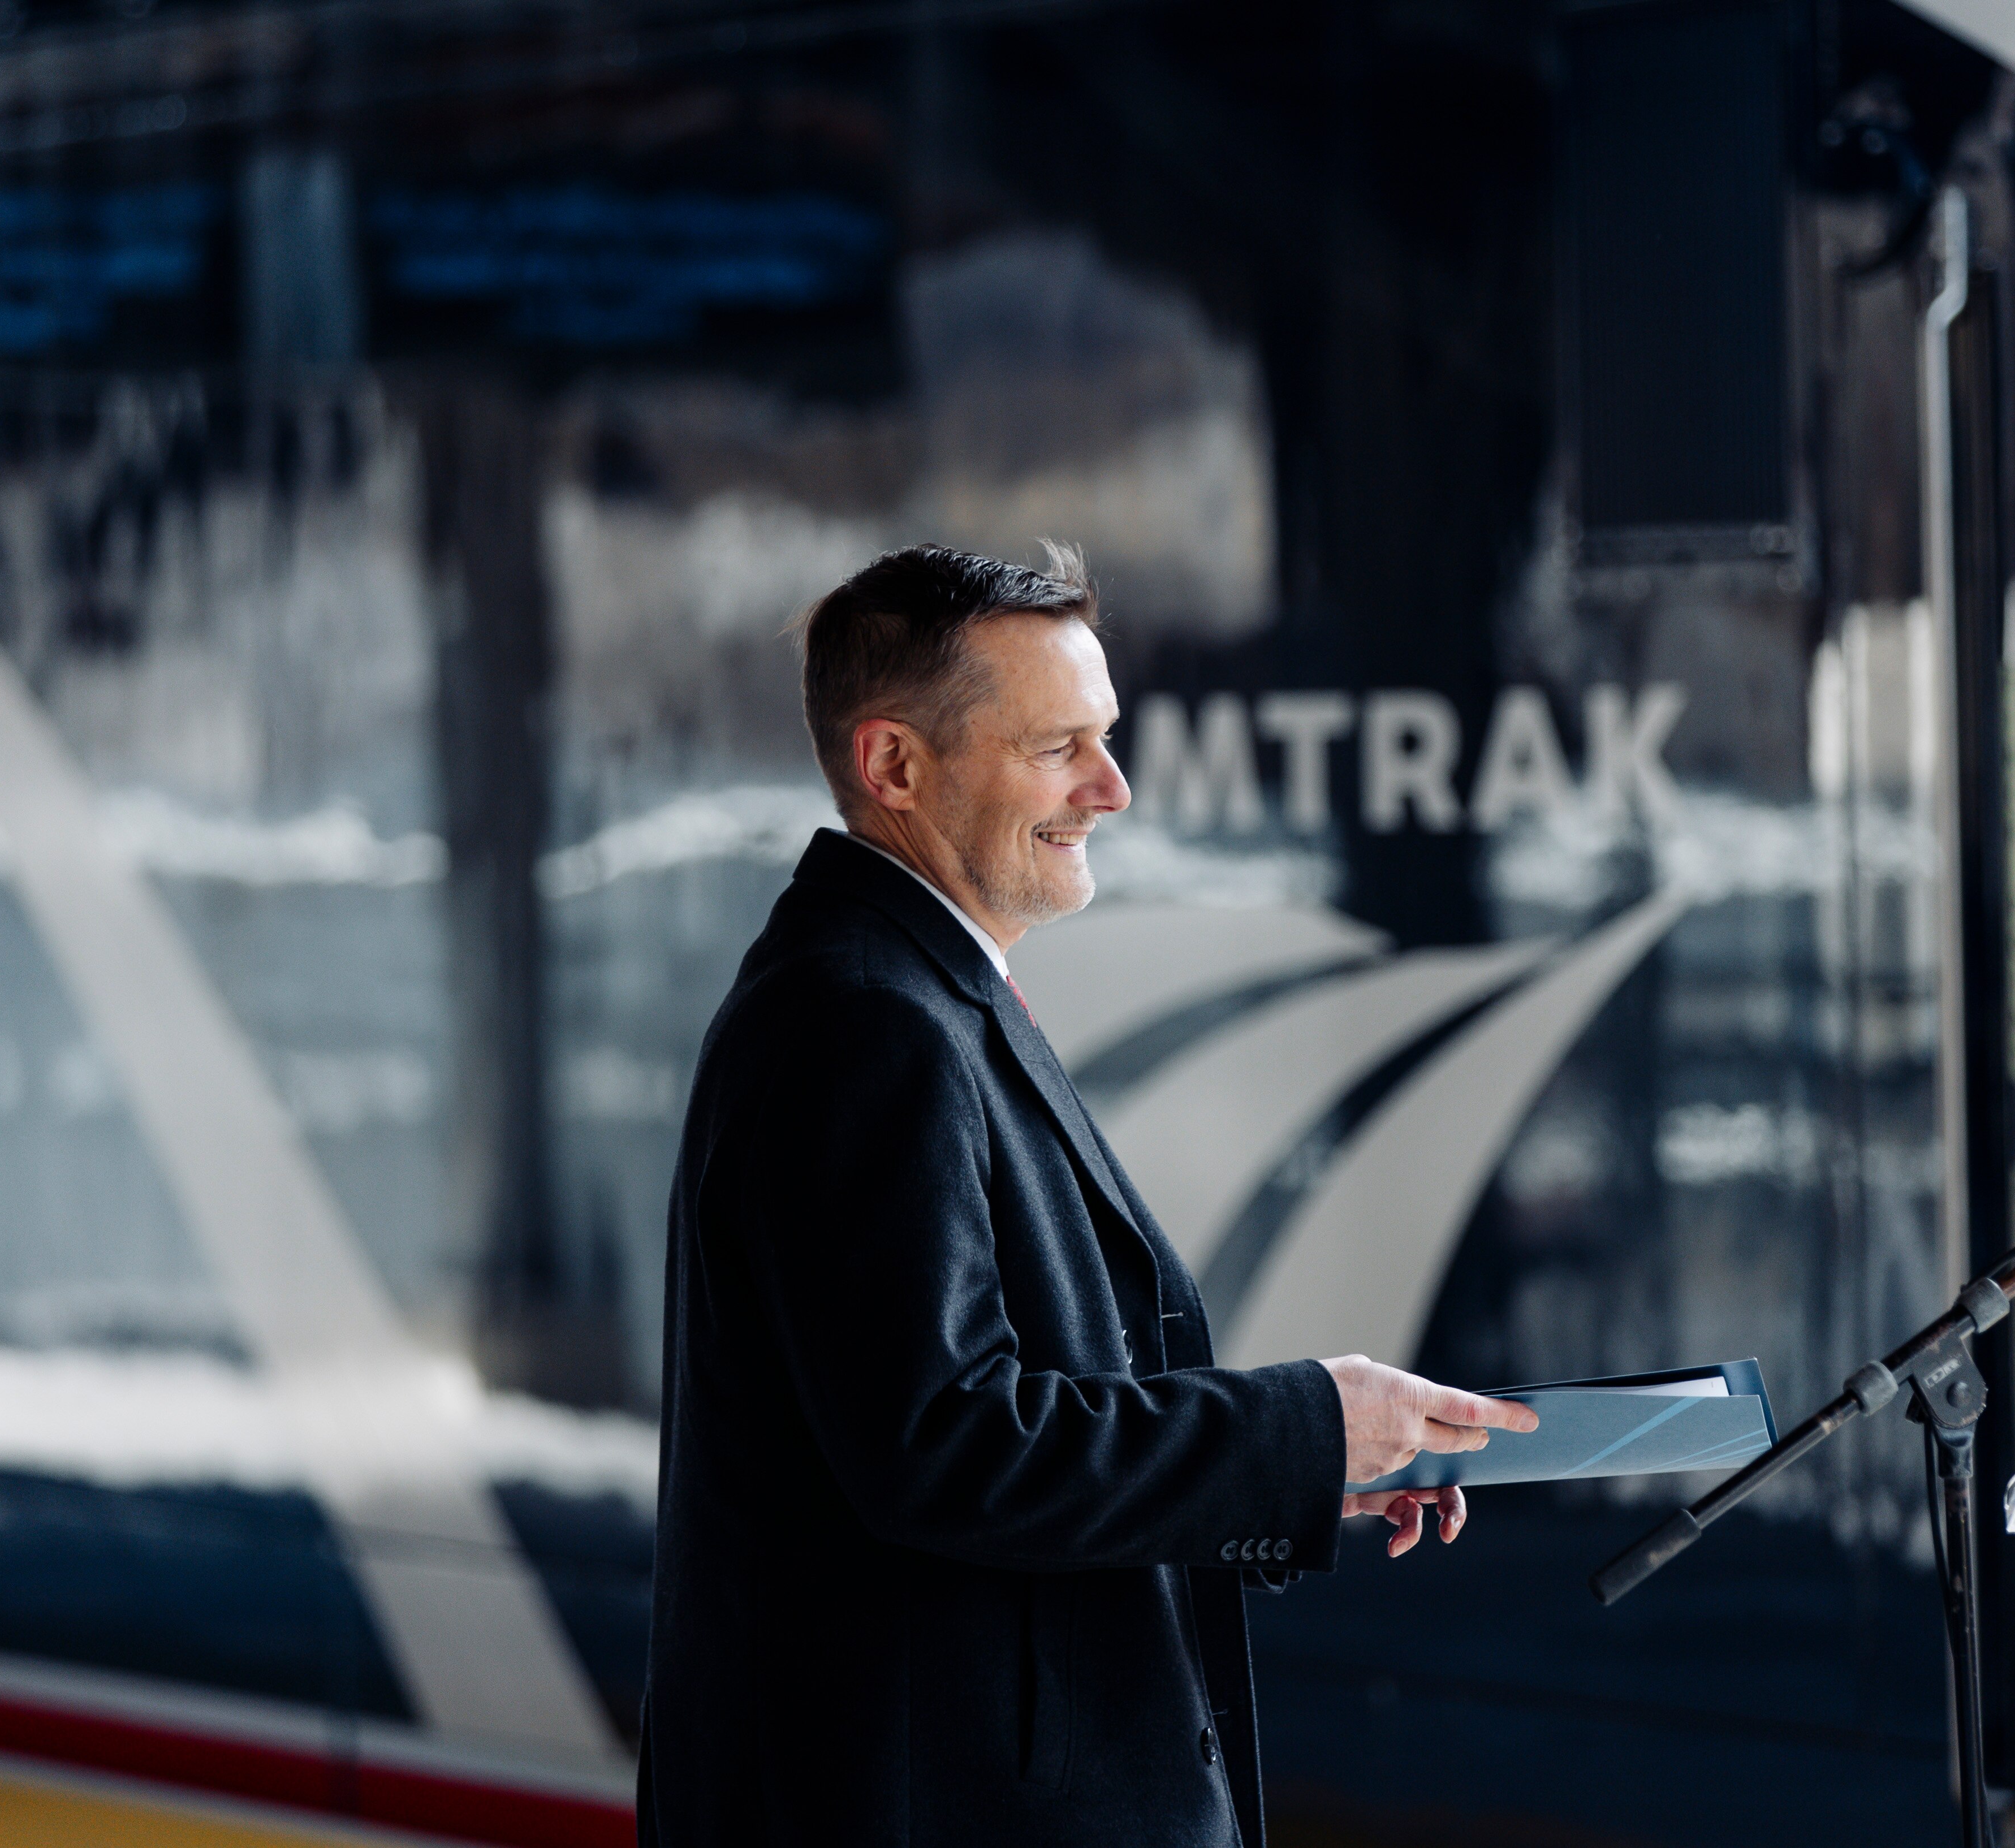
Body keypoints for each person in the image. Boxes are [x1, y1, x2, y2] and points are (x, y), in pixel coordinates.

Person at [637, 543, 1537, 1846]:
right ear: (895, 766)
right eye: (1060, 746)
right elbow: (949, 1442)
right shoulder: (863, 1020)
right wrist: (1292, 1428)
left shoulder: (908, 990)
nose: (1111, 789)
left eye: (1103, 739)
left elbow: (972, 1425)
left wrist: (1302, 1467)